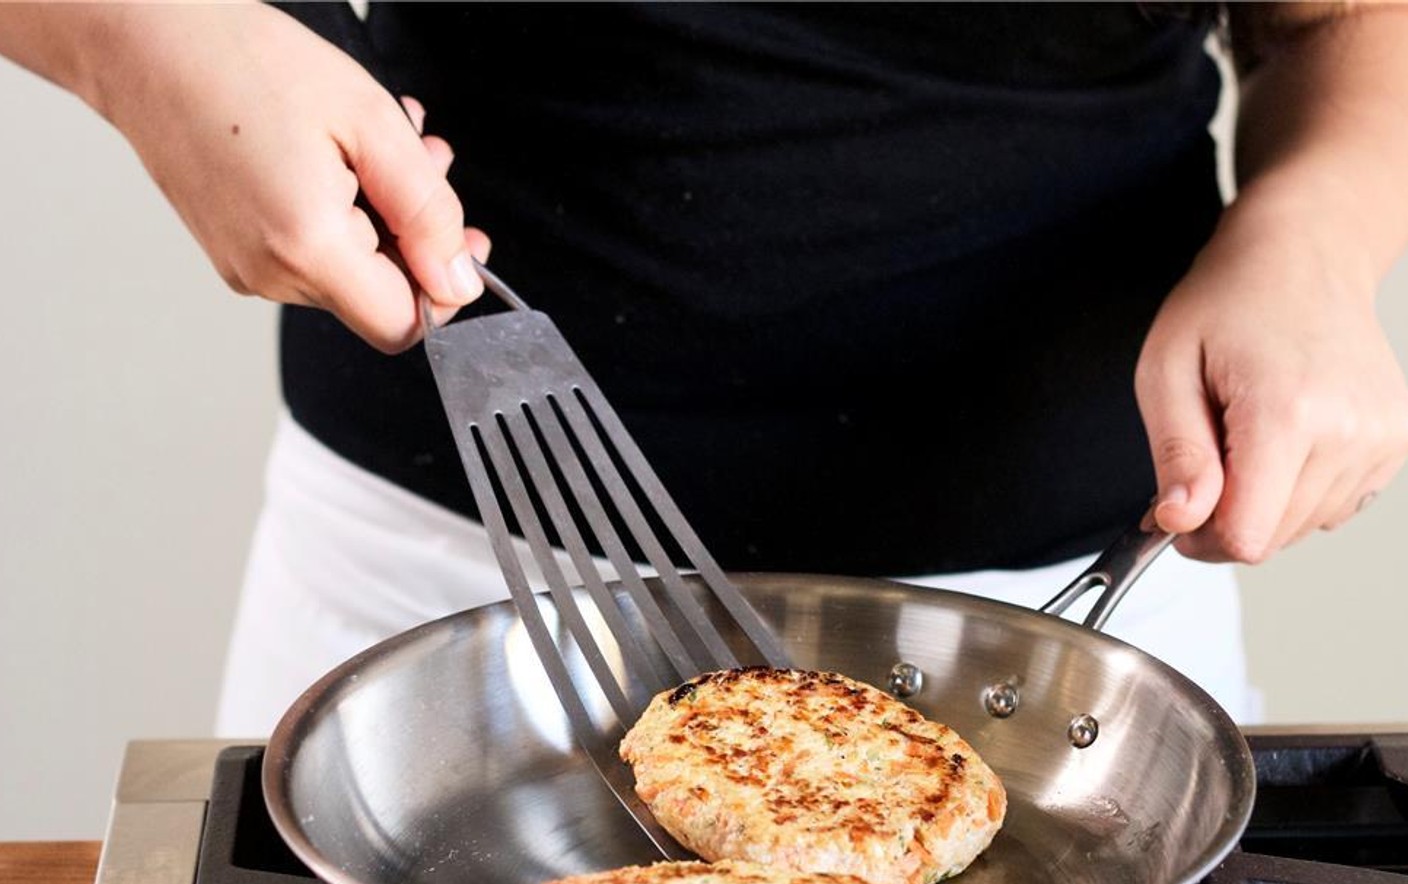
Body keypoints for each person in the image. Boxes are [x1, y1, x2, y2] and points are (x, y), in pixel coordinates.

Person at [3, 2, 1406, 734]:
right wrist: (138, 29)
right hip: (444, 616)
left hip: (1061, 638)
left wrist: (1315, 240)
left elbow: (1346, 14)